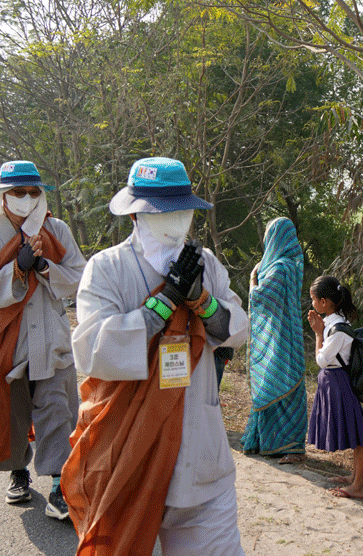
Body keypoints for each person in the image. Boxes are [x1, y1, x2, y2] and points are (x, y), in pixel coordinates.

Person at [63, 156, 251, 556]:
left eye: (181, 210)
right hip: (131, 452)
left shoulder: (207, 264)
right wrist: (162, 305)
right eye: (161, 211)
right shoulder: (108, 268)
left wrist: (202, 300)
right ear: (135, 215)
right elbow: (92, 351)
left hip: (202, 459)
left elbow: (237, 331)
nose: (174, 219)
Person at [0, 161, 85, 520]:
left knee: (58, 408)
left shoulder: (56, 230)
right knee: (12, 410)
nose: (26, 199)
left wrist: (44, 268)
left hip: (52, 336)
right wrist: (15, 270)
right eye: (18, 192)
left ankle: (59, 485)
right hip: (4, 340)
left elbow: (78, 277)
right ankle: (18, 471)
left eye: (33, 192)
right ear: (2, 195)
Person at [241, 217, 307, 463]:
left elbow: (261, 298)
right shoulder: (291, 265)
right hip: (283, 334)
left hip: (280, 338)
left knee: (281, 382)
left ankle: (292, 446)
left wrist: (252, 282)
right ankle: (271, 441)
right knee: (276, 381)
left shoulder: (280, 268)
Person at [306, 275, 363, 500]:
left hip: (339, 383)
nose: (312, 304)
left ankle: (359, 486)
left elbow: (321, 360)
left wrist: (317, 334)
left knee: (360, 436)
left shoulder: (339, 329)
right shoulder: (333, 323)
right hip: (332, 382)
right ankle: (354, 477)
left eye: (314, 299)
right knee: (355, 432)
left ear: (324, 302)